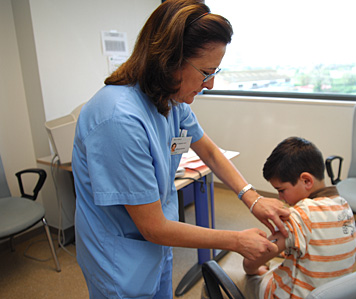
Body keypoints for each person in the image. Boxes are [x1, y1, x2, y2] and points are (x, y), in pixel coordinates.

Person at [71, 0, 290, 298]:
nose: (210, 84)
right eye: (205, 72)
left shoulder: (169, 99)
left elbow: (210, 151)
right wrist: (236, 241)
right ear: (170, 60)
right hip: (119, 257)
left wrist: (252, 199)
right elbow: (153, 227)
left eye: (216, 71)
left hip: (157, 246)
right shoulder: (118, 119)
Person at [236, 137, 356, 299]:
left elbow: (252, 263)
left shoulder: (300, 215)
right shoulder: (343, 205)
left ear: (306, 180)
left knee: (218, 282)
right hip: (334, 293)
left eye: (281, 190)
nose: (280, 198)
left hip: (294, 295)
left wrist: (254, 269)